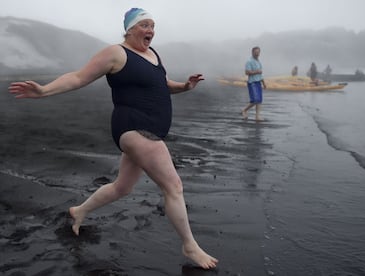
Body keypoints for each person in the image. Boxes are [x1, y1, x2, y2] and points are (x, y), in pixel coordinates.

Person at [8, 8, 218, 270]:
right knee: (173, 187)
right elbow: (78, 77)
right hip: (135, 128)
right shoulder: (116, 53)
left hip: (147, 129)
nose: (150, 30)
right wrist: (43, 91)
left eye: (152, 25)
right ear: (129, 29)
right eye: (144, 25)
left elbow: (162, 85)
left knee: (122, 187)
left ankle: (79, 211)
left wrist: (185, 87)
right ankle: (190, 246)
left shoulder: (152, 55)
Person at [241, 46, 266, 121]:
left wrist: (264, 83)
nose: (257, 54)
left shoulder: (258, 62)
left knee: (259, 101)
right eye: (256, 52)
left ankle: (257, 116)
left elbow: (260, 74)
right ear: (252, 52)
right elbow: (246, 72)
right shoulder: (249, 61)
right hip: (252, 83)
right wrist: (256, 72)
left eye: (258, 52)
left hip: (258, 82)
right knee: (255, 100)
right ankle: (244, 110)